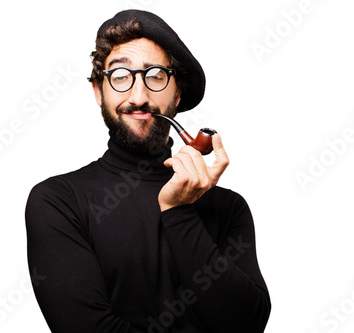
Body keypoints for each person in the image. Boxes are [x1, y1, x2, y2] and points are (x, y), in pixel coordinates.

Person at [25, 9, 271, 333]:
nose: (139, 97)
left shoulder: (228, 207)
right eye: (120, 76)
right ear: (99, 91)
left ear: (178, 93)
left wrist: (179, 212)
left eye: (155, 76)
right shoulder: (58, 201)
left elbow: (246, 325)